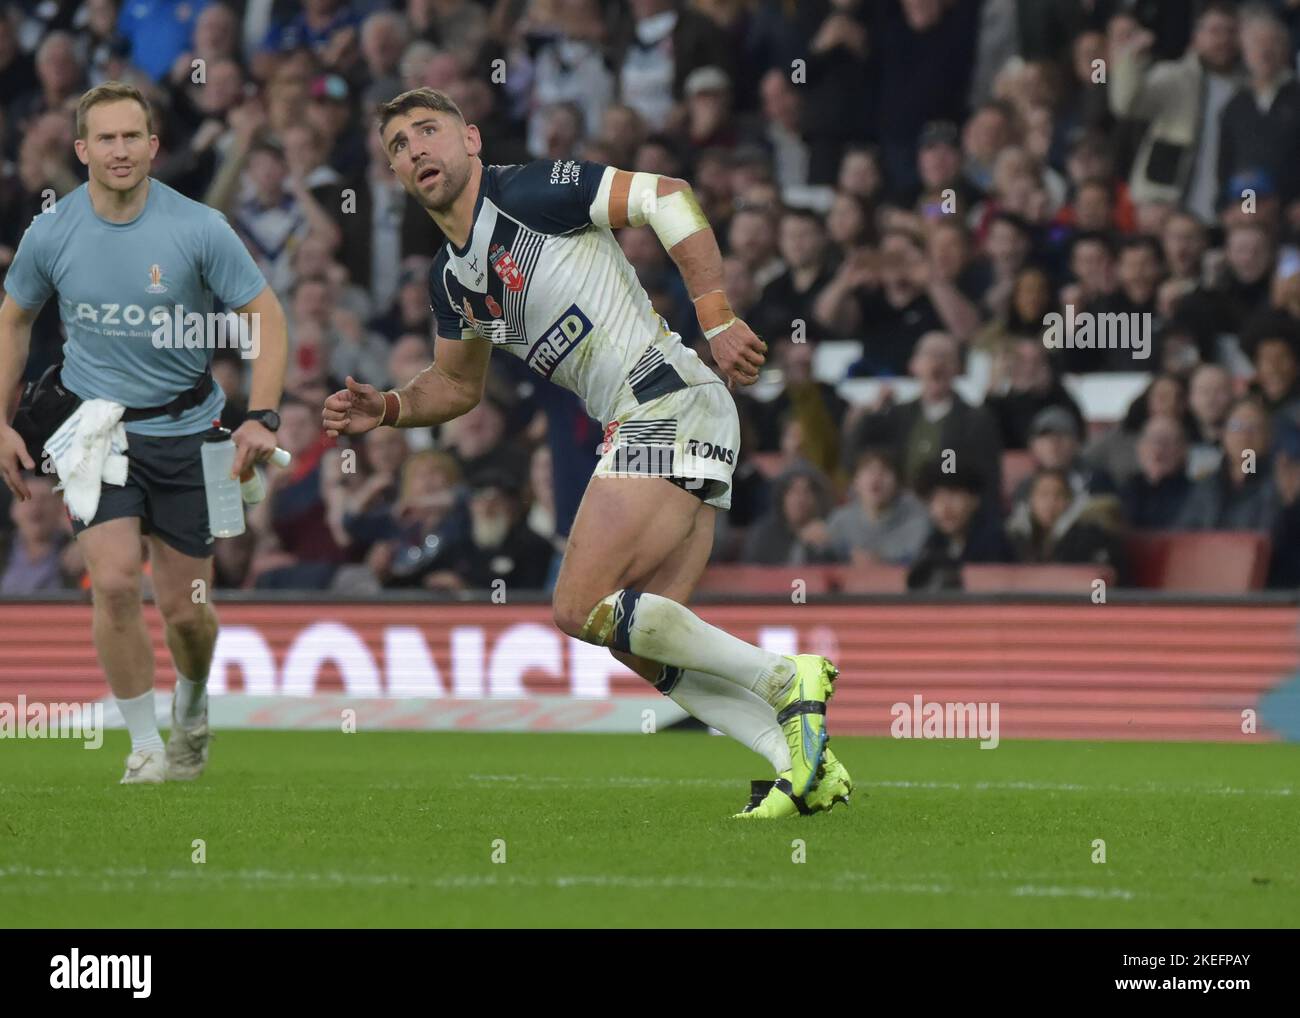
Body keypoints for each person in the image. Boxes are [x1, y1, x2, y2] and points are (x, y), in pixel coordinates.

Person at [321, 87, 848, 820]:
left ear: (470, 140)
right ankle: (802, 765)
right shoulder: (452, 280)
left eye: (427, 131)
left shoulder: (529, 192)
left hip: (664, 400)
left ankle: (785, 675)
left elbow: (667, 195)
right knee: (642, 640)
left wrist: (717, 314)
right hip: (657, 418)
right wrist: (386, 408)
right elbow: (454, 384)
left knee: (576, 605)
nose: (415, 151)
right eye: (399, 147)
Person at [0, 82, 288, 785]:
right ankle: (144, 745)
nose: (121, 150)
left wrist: (262, 415)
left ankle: (191, 708)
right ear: (82, 150)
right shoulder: (53, 230)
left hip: (192, 432)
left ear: (155, 146)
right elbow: (12, 320)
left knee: (187, 613)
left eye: (133, 137)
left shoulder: (199, 227)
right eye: (106, 138)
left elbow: (268, 319)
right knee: (116, 585)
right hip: (94, 432)